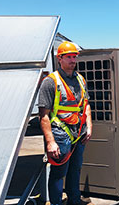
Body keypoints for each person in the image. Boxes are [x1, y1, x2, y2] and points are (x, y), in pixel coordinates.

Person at [39, 41, 92, 205]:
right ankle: (56, 203)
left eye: (74, 57)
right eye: (68, 57)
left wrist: (89, 126)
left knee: (75, 170)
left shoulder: (80, 79)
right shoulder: (51, 82)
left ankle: (74, 200)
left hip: (79, 133)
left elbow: (86, 105)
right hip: (60, 136)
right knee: (58, 173)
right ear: (59, 59)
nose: (72, 60)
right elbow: (44, 116)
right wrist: (50, 142)